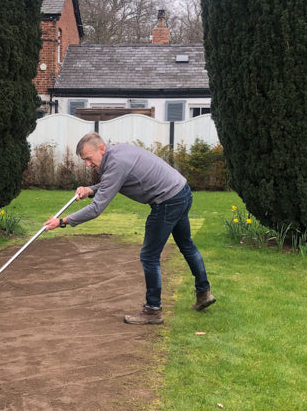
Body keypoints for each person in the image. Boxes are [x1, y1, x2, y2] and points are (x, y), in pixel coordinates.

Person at [44, 132, 215, 324]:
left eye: (88, 158)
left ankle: (153, 310)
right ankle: (203, 293)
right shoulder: (118, 152)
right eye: (84, 160)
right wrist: (91, 189)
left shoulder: (116, 164)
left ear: (101, 149)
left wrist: (62, 221)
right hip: (181, 191)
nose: (87, 164)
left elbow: (96, 209)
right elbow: (112, 182)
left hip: (167, 201)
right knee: (186, 245)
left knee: (149, 256)